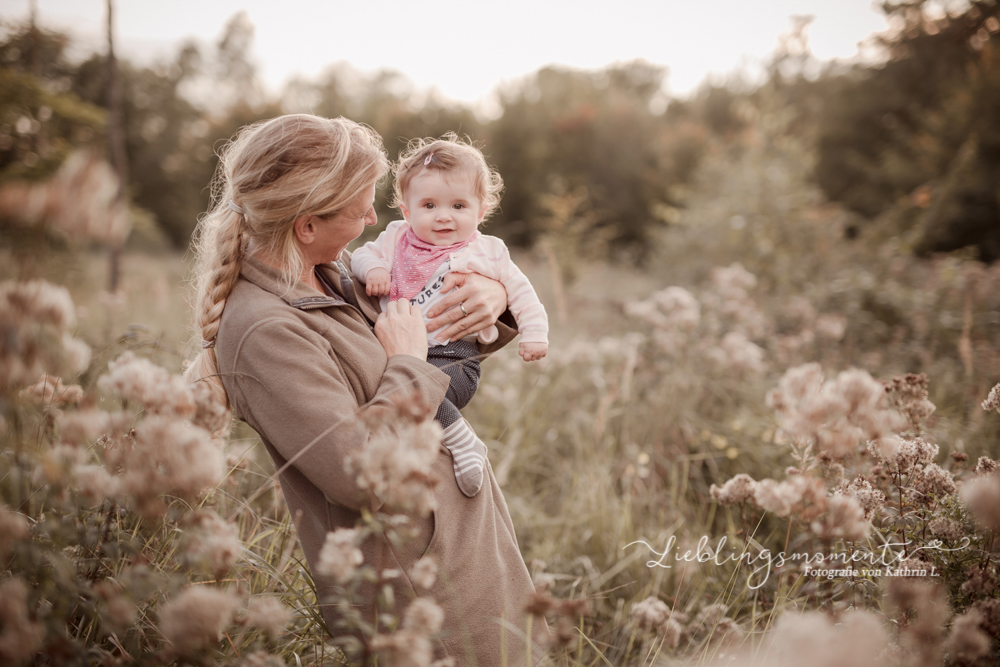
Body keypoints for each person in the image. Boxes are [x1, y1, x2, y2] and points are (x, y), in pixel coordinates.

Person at [185, 114, 542, 666]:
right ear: (306, 224)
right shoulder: (264, 330)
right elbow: (356, 472)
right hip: (413, 581)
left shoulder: (333, 271)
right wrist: (405, 361)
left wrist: (492, 293)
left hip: (455, 540)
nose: (376, 218)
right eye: (362, 206)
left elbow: (431, 311)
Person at [351, 135, 549, 498]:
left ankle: (463, 444)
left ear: (480, 210)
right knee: (397, 397)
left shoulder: (486, 250)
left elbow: (522, 292)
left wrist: (534, 334)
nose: (444, 216)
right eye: (429, 205)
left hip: (453, 355)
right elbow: (361, 256)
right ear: (406, 210)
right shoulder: (396, 238)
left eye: (458, 205)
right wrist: (375, 270)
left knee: (418, 398)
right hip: (397, 353)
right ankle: (439, 455)